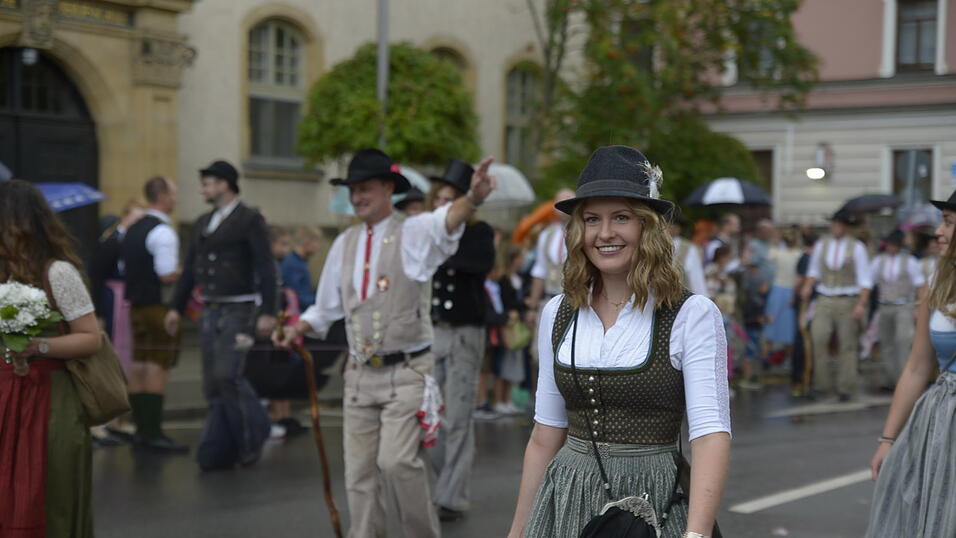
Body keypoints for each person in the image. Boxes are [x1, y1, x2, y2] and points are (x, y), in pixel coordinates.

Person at [508, 146, 730, 538]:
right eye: (592, 219)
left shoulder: (690, 315)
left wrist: (695, 535)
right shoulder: (557, 313)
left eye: (621, 218)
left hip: (654, 502)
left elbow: (709, 435)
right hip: (566, 499)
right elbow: (544, 436)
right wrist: (519, 530)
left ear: (648, 226)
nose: (605, 233)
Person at [274, 148, 496, 538]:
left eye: (366, 188)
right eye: (354, 189)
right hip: (359, 375)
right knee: (359, 473)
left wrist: (474, 197)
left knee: (396, 463)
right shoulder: (343, 243)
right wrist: (296, 328)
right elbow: (325, 308)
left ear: (387, 189)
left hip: (407, 372)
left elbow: (446, 220)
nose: (358, 196)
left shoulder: (411, 231)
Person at [0, 179, 103, 537]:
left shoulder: (57, 272)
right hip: (3, 392)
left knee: (48, 491)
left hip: (48, 398)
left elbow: (91, 338)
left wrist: (38, 347)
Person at [166, 160, 276, 470]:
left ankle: (253, 435)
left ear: (225, 184)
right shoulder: (203, 222)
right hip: (211, 309)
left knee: (229, 376)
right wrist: (176, 307)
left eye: (208, 183)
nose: (203, 189)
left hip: (240, 309)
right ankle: (219, 448)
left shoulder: (249, 219)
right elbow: (190, 270)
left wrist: (268, 312)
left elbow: (266, 267)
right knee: (212, 384)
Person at [865, 191, 956, 537]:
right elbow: (918, 366)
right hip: (937, 420)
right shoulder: (936, 284)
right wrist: (887, 439)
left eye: (948, 222)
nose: (938, 232)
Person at [422, 159, 496, 521]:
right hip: (434, 330)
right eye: (439, 198)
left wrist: (443, 251)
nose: (442, 205)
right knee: (428, 413)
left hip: (465, 331)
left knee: (459, 414)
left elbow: (477, 262)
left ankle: (452, 495)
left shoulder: (479, 234)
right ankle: (443, 483)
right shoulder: (428, 232)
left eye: (450, 198)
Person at [122, 176, 187, 452]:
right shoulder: (163, 231)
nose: (175, 199)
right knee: (158, 364)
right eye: (173, 194)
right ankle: (153, 431)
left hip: (135, 304)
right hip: (159, 306)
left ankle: (141, 429)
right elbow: (166, 274)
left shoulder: (132, 229)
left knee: (139, 363)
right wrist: (187, 273)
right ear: (162, 196)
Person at [800, 209, 872, 402]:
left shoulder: (856, 247)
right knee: (819, 337)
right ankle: (822, 384)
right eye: (834, 224)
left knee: (847, 343)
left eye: (839, 224)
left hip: (848, 298)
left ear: (846, 227)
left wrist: (861, 304)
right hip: (825, 297)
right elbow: (814, 271)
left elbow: (865, 280)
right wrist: (808, 286)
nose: (836, 228)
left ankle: (845, 386)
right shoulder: (822, 245)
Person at [869, 229, 926, 390]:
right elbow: (868, 282)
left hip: (904, 305)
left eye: (894, 244)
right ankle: (892, 379)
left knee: (903, 341)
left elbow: (920, 286)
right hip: (884, 305)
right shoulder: (878, 261)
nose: (890, 247)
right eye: (889, 244)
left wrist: (918, 308)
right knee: (886, 344)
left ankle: (905, 380)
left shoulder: (910, 261)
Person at [526, 188, 575, 321]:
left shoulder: (583, 233)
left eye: (567, 200)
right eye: (559, 201)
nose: (562, 205)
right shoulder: (546, 234)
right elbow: (540, 270)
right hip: (550, 299)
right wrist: (533, 307)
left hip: (576, 301)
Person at [762, 230, 802, 365]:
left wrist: (775, 243)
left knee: (771, 323)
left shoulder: (778, 253)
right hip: (790, 291)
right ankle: (788, 359)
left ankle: (766, 356)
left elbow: (769, 255)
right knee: (788, 326)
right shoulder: (798, 254)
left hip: (778, 289)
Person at [280, 226, 321, 310]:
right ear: (307, 242)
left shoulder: (300, 262)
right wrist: (320, 302)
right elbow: (297, 297)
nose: (318, 247)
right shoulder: (293, 264)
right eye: (316, 242)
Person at [670, 214, 708, 296]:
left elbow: (696, 276)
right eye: (668, 224)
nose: (671, 227)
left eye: (675, 225)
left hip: (678, 297)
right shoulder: (652, 244)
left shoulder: (688, 248)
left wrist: (702, 298)